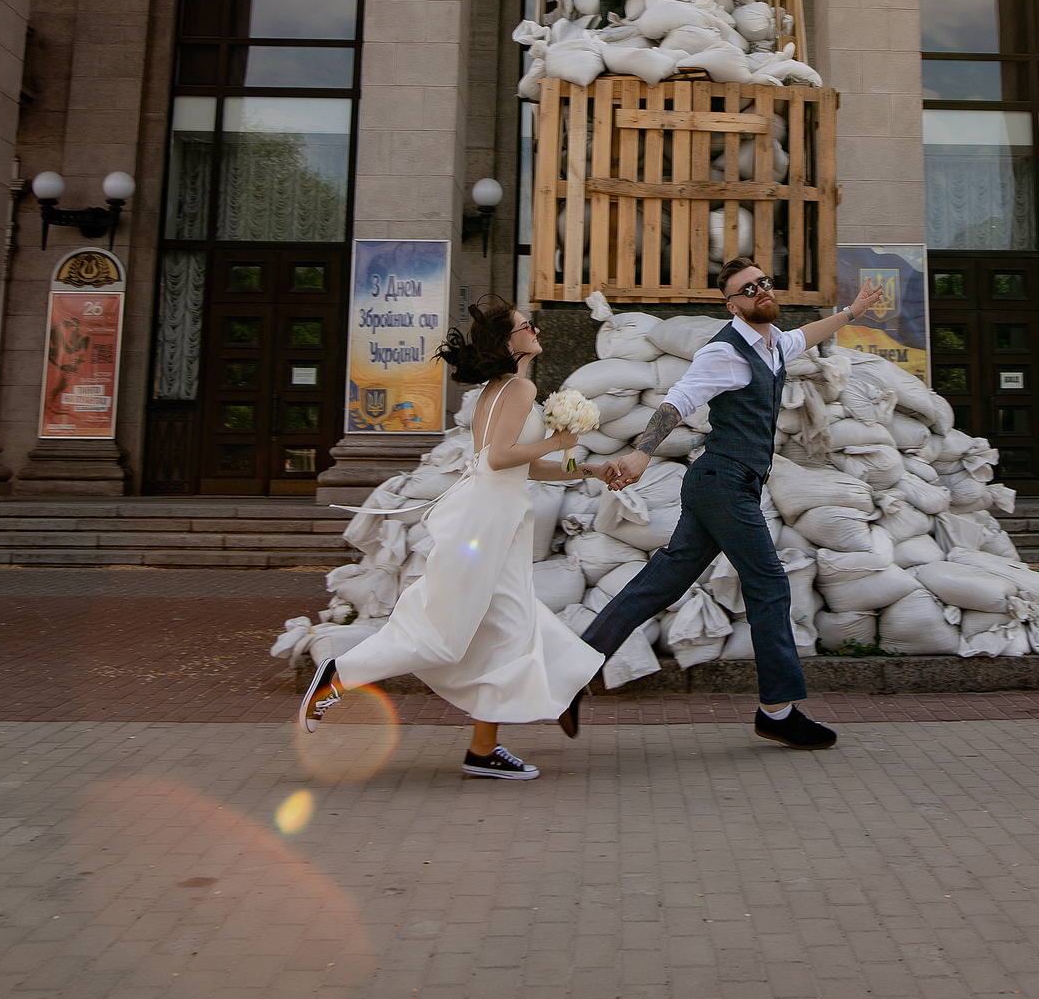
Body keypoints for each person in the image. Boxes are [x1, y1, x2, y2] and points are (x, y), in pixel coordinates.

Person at [576, 259, 888, 751]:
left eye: (764, 281)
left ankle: (570, 671)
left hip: (721, 484)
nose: (761, 289)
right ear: (733, 304)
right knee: (768, 585)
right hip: (723, 482)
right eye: (749, 288)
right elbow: (676, 401)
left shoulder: (772, 343)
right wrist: (640, 452)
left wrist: (851, 312)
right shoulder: (724, 351)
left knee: (660, 584)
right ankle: (777, 711)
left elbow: (806, 335)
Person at [297, 296, 599, 780]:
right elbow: (502, 458)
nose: (536, 330)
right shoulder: (519, 388)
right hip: (487, 522)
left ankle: (487, 748)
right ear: (509, 341)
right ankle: (338, 675)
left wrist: (591, 468)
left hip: (494, 517)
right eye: (528, 326)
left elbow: (525, 466)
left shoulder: (497, 390)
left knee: (509, 630)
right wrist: (559, 441)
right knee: (443, 634)